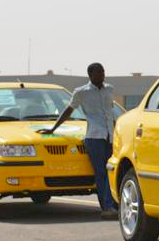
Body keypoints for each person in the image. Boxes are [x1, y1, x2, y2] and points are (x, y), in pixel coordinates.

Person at [38, 63, 119, 219]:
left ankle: (113, 205)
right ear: (90, 75)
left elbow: (111, 112)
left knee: (112, 170)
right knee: (101, 172)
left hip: (110, 136)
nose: (102, 75)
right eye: (98, 73)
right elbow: (69, 110)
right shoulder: (81, 92)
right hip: (94, 136)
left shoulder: (110, 89)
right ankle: (107, 207)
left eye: (103, 72)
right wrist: (53, 129)